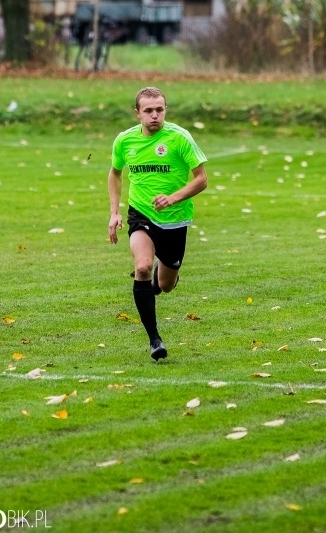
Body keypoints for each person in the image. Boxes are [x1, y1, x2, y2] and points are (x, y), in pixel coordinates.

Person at [107, 86, 208, 361]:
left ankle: (155, 284)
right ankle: (154, 340)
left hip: (175, 220)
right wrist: (115, 212)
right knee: (141, 267)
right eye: (149, 111)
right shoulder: (125, 141)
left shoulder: (179, 138)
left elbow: (201, 179)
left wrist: (173, 198)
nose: (155, 115)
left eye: (159, 110)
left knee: (165, 285)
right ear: (137, 113)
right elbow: (115, 174)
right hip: (141, 213)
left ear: (165, 110)